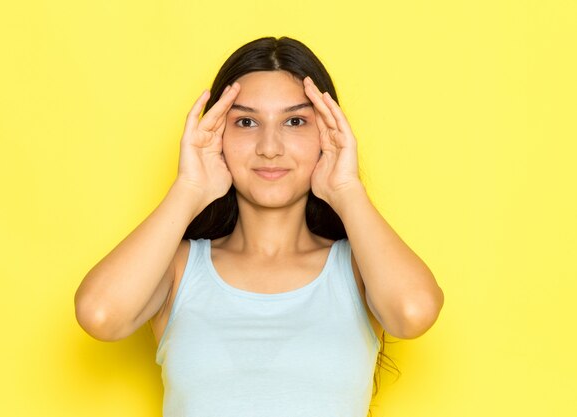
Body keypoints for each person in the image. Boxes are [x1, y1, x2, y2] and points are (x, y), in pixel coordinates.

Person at [74, 36, 444, 417]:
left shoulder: (358, 267)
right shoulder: (180, 268)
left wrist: (347, 189)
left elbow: (413, 313)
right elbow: (100, 315)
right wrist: (189, 188)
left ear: (328, 135)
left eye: (295, 121)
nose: (270, 147)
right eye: (246, 122)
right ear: (217, 135)